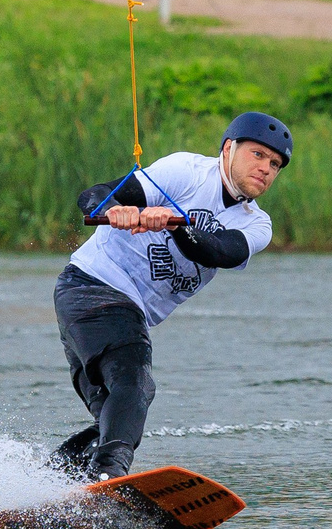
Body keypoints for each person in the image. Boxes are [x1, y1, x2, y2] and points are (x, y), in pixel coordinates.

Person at [52, 112, 291, 480]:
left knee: (117, 416)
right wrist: (116, 210)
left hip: (115, 309)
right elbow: (94, 196)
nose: (266, 169)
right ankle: (109, 476)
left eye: (275, 164)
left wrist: (174, 223)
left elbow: (217, 251)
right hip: (93, 286)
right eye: (258, 155)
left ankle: (54, 480)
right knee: (135, 385)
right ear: (228, 148)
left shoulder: (257, 223)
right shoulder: (186, 172)